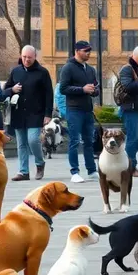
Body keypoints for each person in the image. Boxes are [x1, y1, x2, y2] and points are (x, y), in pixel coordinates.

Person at [4, 46, 53, 181]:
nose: (26, 60)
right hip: (18, 112)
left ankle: (39, 162)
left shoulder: (42, 73)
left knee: (32, 140)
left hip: (36, 113)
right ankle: (23, 171)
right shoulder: (15, 71)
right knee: (21, 143)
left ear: (35, 57)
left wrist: (48, 114)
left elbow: (49, 94)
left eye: (29, 57)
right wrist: (12, 89)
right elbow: (5, 89)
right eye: (24, 57)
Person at [59, 41, 100, 183]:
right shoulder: (68, 68)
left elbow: (96, 88)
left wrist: (95, 91)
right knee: (74, 141)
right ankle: (74, 172)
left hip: (88, 110)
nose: (88, 53)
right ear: (76, 51)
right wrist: (82, 89)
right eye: (85, 50)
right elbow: (63, 89)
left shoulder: (90, 69)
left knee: (89, 141)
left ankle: (92, 170)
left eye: (89, 50)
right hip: (74, 110)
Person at [118, 45, 138, 177]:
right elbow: (126, 86)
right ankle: (130, 167)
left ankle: (125, 156)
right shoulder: (127, 69)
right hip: (130, 108)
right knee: (133, 138)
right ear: (135, 54)